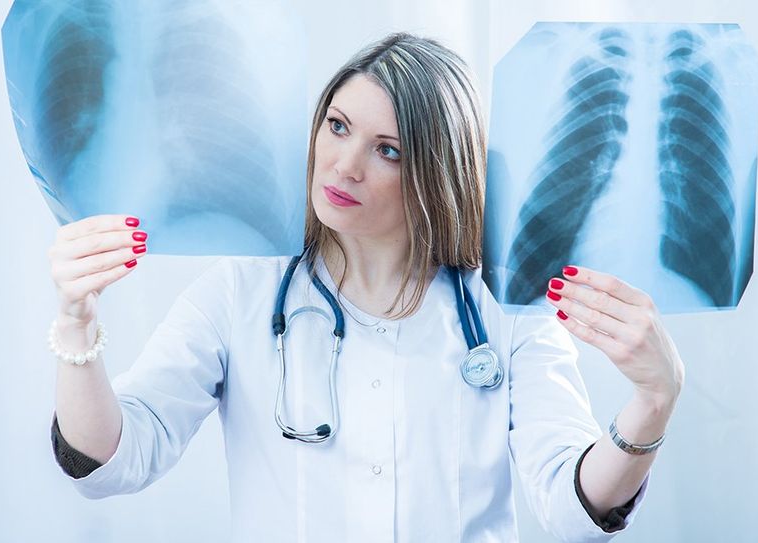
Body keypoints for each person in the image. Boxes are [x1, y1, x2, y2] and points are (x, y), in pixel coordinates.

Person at [42, 33, 684, 542]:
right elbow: (113, 460)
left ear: (438, 171)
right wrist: (77, 326)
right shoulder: (241, 292)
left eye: (390, 150)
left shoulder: (505, 313)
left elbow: (573, 507)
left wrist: (653, 400)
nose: (344, 165)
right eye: (339, 126)